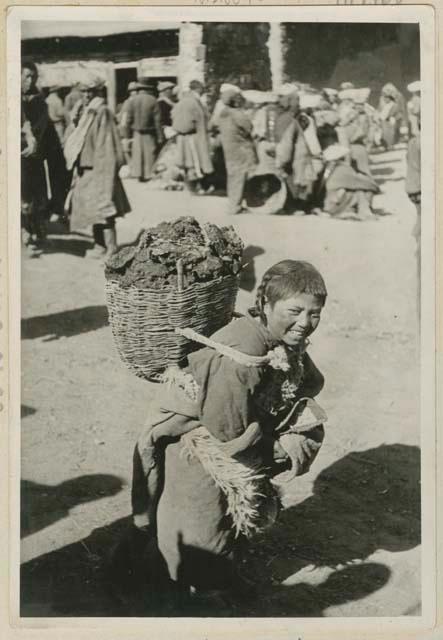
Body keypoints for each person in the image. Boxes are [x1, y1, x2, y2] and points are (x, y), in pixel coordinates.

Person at [115, 260, 327, 605]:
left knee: (222, 519)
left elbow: (311, 379)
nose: (305, 323)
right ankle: (168, 591)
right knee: (200, 528)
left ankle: (197, 577)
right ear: (266, 305)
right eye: (294, 311)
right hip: (196, 443)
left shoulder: (278, 338)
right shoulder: (244, 350)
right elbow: (225, 425)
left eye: (314, 314)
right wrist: (272, 444)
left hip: (226, 431)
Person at [63, 79, 131, 258]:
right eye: (84, 92)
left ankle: (111, 248)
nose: (86, 95)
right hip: (85, 167)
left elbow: (106, 144)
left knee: (104, 207)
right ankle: (99, 245)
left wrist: (105, 171)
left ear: (98, 92)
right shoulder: (85, 113)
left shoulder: (102, 112)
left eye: (91, 92)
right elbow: (74, 139)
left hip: (99, 166)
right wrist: (74, 121)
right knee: (91, 209)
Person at [218, 89, 257, 214]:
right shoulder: (237, 114)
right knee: (240, 176)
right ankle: (236, 206)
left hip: (229, 148)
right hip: (241, 148)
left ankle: (234, 203)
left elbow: (213, 125)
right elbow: (249, 127)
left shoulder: (222, 113)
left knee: (233, 175)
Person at [172, 79, 214, 193]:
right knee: (194, 162)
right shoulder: (192, 102)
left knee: (191, 162)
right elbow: (188, 122)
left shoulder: (185, 101)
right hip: (192, 138)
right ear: (198, 89)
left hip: (189, 137)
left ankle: (194, 186)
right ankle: (194, 188)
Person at [318, 144, 379, 220]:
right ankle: (364, 212)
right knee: (361, 191)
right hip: (333, 206)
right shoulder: (343, 169)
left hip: (326, 203)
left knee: (353, 189)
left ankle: (353, 210)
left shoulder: (327, 168)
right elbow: (370, 185)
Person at [126, 79, 163, 182]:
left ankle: (138, 173)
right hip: (149, 132)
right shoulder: (153, 100)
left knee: (137, 153)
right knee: (149, 153)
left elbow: (128, 119)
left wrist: (127, 135)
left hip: (136, 132)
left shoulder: (133, 100)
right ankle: (148, 174)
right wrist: (160, 136)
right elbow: (158, 121)